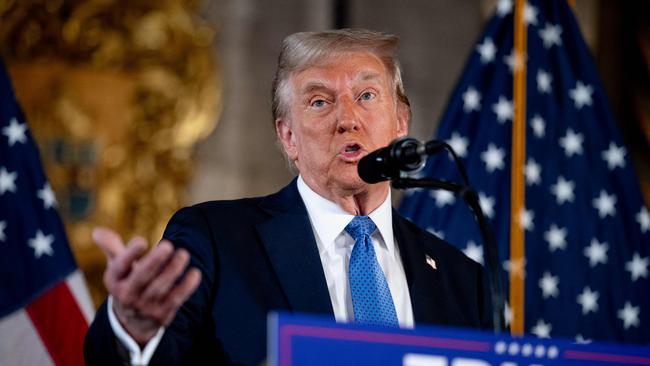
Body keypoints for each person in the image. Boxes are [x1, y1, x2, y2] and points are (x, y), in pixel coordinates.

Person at [84, 28, 492, 366]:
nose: (347, 119)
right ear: (288, 136)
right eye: (319, 101)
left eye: (367, 96)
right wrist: (131, 331)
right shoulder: (214, 241)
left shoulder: (462, 280)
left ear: (400, 122)